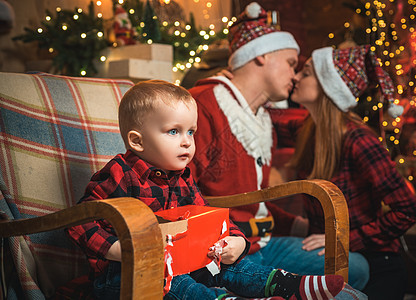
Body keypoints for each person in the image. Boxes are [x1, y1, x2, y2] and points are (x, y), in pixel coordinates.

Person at [66, 80, 347, 300]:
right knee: (173, 280)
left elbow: (211, 217)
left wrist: (235, 240)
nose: (187, 142)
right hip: (127, 276)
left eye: (191, 132)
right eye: (174, 131)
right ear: (137, 141)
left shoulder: (183, 177)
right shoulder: (120, 173)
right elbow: (80, 221)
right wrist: (122, 250)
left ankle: (286, 285)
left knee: (231, 265)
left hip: (187, 262)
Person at [188, 1, 370, 292]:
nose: (295, 75)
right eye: (290, 63)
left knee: (357, 266)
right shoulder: (205, 104)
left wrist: (298, 226)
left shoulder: (262, 117)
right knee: (347, 292)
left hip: (265, 241)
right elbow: (182, 191)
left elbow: (251, 199)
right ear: (261, 56)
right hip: (230, 249)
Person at [288, 45, 416, 299]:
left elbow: (408, 210)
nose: (295, 77)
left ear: (328, 86)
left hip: (376, 266)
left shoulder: (358, 140)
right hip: (334, 263)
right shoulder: (309, 131)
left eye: (305, 73)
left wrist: (345, 239)